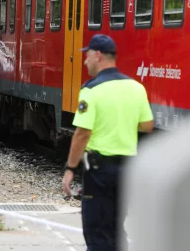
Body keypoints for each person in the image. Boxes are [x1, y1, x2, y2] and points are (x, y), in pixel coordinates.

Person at [62, 34, 154, 251]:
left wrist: (70, 169)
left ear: (98, 56)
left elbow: (82, 133)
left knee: (97, 231)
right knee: (116, 229)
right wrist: (123, 121)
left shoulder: (92, 90)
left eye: (87, 56)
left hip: (99, 172)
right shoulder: (136, 87)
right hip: (127, 171)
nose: (85, 61)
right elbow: (148, 125)